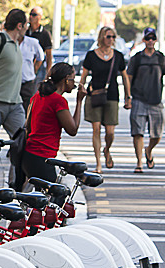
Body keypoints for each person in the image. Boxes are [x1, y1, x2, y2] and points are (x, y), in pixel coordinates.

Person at [20, 63, 87, 188]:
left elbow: (28, 126)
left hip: (29, 155)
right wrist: (79, 101)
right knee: (55, 199)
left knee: (41, 200)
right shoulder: (58, 101)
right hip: (42, 157)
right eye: (73, 79)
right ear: (66, 80)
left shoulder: (38, 96)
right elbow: (72, 129)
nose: (74, 84)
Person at [79, 26, 131, 174]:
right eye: (109, 36)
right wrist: (81, 90)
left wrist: (128, 96)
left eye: (113, 37)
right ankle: (98, 163)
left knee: (110, 132)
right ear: (102, 37)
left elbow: (125, 77)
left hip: (112, 95)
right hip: (94, 94)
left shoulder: (118, 56)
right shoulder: (91, 55)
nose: (111, 40)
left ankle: (106, 149)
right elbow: (84, 75)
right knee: (96, 130)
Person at [0, 9, 27, 187]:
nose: (27, 29)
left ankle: (15, 185)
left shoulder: (16, 44)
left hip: (15, 104)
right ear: (19, 25)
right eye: (26, 25)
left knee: (23, 142)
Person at [127, 27, 165, 173]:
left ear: (155, 40)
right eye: (147, 38)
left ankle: (148, 150)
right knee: (138, 133)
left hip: (156, 100)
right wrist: (128, 96)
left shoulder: (160, 58)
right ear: (144, 40)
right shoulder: (137, 58)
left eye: (152, 38)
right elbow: (128, 77)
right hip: (139, 99)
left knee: (156, 135)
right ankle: (139, 162)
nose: (150, 41)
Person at [26, 6, 53, 85]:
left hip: (39, 67)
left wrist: (48, 72)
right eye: (30, 14)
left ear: (40, 17)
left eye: (34, 15)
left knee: (36, 92)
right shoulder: (25, 32)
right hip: (26, 65)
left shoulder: (45, 34)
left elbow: (49, 55)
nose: (31, 17)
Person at [19, 31, 45, 111]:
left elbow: (40, 58)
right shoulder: (9, 42)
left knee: (28, 109)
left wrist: (33, 71)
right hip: (12, 83)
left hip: (28, 82)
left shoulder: (33, 42)